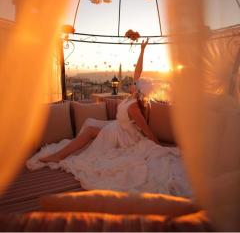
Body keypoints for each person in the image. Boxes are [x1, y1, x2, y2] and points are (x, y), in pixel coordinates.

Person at [27, 38, 191, 196]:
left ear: (138, 90)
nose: (131, 82)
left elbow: (146, 130)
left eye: (134, 84)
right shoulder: (131, 97)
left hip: (124, 137)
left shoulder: (134, 107)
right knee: (90, 124)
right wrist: (142, 50)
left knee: (91, 129)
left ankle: (59, 156)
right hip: (117, 127)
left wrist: (158, 146)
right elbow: (138, 71)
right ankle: (68, 151)